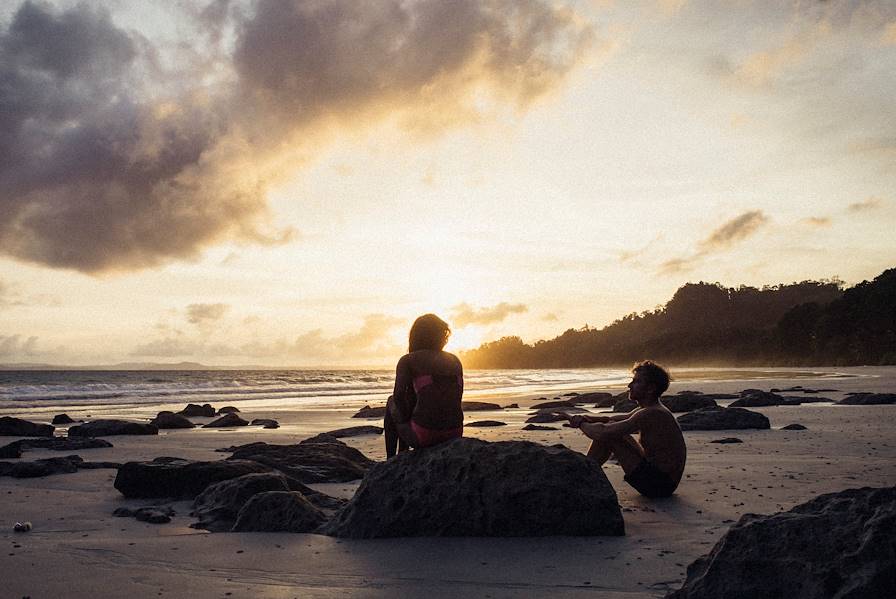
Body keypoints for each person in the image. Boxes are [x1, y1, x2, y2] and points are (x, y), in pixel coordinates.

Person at [567, 361, 686, 498]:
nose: (629, 386)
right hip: (659, 479)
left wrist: (581, 423)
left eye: (636, 382)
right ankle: (585, 472)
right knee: (612, 429)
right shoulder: (649, 409)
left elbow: (603, 432)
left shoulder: (652, 413)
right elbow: (612, 420)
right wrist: (587, 417)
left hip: (659, 485)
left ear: (650, 389)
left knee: (610, 435)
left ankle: (583, 474)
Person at [383, 314, 464, 458]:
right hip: (455, 432)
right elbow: (456, 396)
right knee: (411, 402)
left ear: (415, 336)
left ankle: (391, 459)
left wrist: (407, 419)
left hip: (425, 435)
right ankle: (402, 453)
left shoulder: (407, 361)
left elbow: (399, 396)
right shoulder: (455, 360)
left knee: (391, 402)